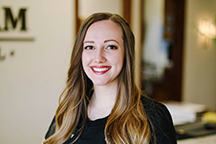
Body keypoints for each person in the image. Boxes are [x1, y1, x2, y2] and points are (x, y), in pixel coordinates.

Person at [43, 12, 176, 144]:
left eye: (110, 47)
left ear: (126, 54)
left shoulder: (153, 117)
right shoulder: (68, 112)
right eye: (90, 47)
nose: (98, 58)